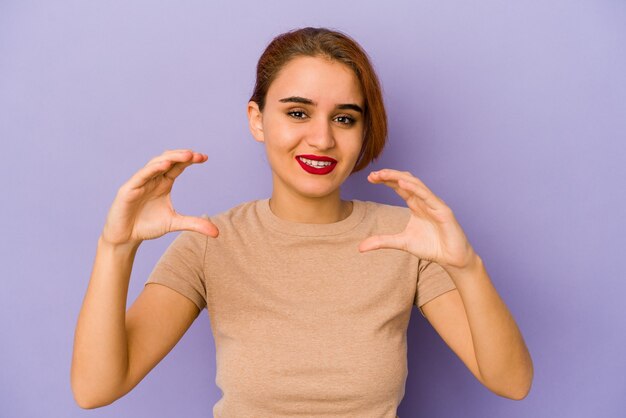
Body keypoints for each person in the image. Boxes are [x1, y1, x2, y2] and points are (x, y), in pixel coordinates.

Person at [71, 27, 533, 416]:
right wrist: (116, 247)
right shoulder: (210, 241)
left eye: (345, 119)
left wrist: (466, 266)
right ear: (257, 120)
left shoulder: (406, 239)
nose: (321, 138)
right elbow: (96, 389)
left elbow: (512, 383)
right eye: (297, 112)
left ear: (363, 132)